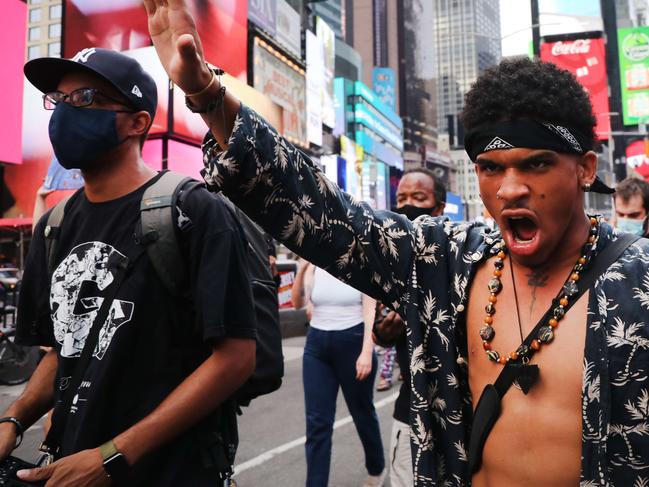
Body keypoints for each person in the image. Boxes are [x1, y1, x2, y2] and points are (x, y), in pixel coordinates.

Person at [145, 2, 649, 485]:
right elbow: (326, 215)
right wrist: (208, 94)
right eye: (492, 169)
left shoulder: (638, 282)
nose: (511, 188)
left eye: (536, 163)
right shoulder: (445, 261)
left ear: (585, 168)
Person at [0, 47, 257, 486]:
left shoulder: (193, 211)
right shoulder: (53, 228)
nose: (64, 113)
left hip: (173, 472)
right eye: (57, 100)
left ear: (137, 123)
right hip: (71, 469)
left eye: (83, 99)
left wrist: (112, 458)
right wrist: (14, 419)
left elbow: (235, 358)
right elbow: (64, 350)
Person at [373, 168, 446, 487]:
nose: (408, 206)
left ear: (439, 208)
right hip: (409, 408)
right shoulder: (391, 262)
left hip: (458, 410)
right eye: (401, 198)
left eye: (419, 198)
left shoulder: (461, 258)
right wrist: (385, 331)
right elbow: (380, 331)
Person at [292, 260, 385, 487]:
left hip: (353, 342)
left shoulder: (359, 262)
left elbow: (369, 307)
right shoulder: (314, 264)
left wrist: (366, 351)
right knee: (317, 422)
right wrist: (303, 268)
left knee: (362, 413)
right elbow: (297, 304)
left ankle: (376, 469)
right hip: (317, 345)